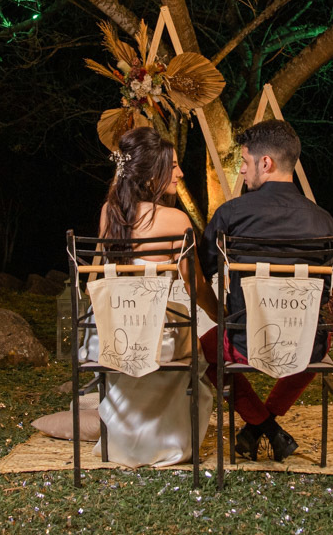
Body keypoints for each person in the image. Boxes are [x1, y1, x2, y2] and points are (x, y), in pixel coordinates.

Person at [199, 119, 333, 462]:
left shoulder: (231, 214)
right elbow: (330, 288)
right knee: (321, 339)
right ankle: (268, 426)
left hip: (245, 343)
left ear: (266, 163)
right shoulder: (325, 222)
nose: (243, 172)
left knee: (204, 347)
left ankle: (260, 424)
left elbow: (205, 266)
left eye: (245, 163)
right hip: (306, 346)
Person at [86, 127, 216, 468]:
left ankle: (128, 438)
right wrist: (219, 312)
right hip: (158, 340)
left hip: (115, 335)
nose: (180, 173)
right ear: (150, 174)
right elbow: (195, 286)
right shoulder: (175, 220)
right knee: (194, 333)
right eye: (172, 165)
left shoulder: (108, 214)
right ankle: (166, 439)